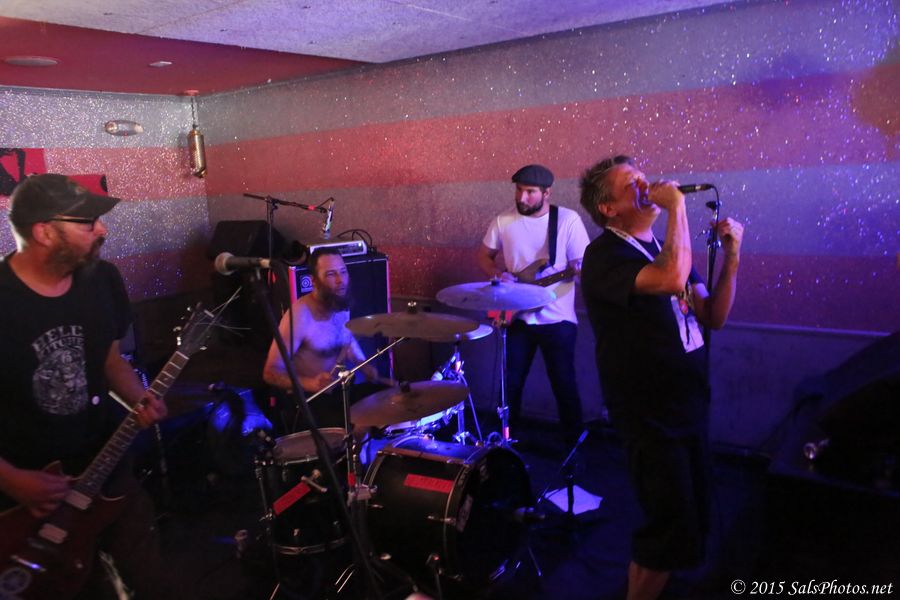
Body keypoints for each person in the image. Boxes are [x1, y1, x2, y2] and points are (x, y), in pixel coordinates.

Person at [579, 155, 744, 600]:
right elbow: (671, 279)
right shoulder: (603, 255)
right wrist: (678, 208)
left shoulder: (664, 247)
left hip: (685, 402)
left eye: (643, 177)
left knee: (689, 522)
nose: (646, 184)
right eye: (631, 184)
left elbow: (713, 314)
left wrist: (732, 256)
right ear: (608, 208)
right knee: (669, 527)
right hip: (647, 411)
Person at [0, 173, 170, 598]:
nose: (102, 229)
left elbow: (109, 359)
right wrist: (10, 479)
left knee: (149, 577)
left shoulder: (102, 279)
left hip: (104, 463)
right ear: (44, 232)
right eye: (87, 222)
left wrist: (138, 396)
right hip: (30, 492)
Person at [476, 164, 590, 447]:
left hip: (558, 319)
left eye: (530, 192)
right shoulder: (503, 220)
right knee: (510, 385)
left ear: (546, 193)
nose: (522, 197)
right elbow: (484, 256)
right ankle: (505, 446)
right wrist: (496, 274)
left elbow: (582, 267)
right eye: (518, 190)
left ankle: (574, 451)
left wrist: (579, 269)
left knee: (564, 385)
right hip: (518, 318)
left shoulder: (568, 221)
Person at [263, 248, 392, 433]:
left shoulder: (339, 303)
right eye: (331, 274)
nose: (341, 280)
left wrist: (363, 364)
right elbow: (270, 372)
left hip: (340, 392)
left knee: (392, 399)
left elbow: (346, 339)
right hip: (309, 402)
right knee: (362, 424)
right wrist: (311, 383)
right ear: (314, 281)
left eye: (343, 272)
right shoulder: (299, 317)